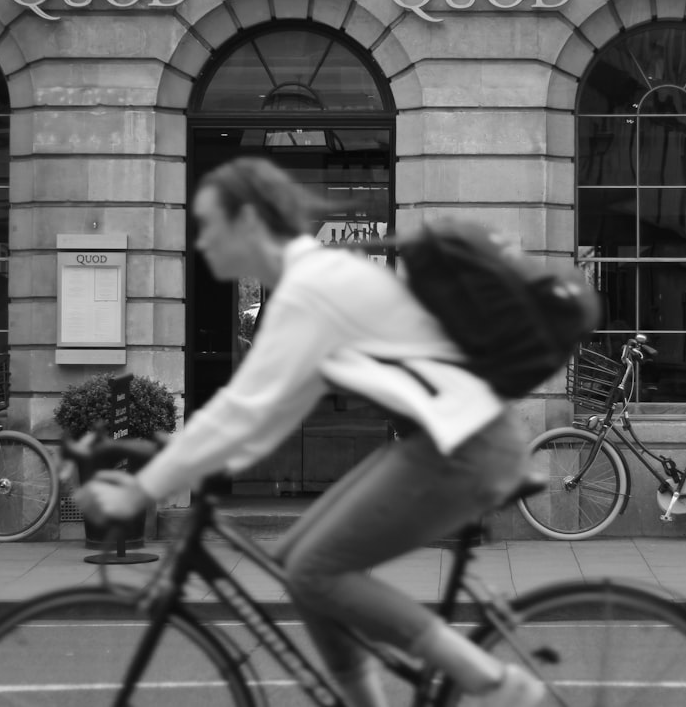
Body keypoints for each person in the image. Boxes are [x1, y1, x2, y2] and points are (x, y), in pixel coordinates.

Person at [73, 156, 545, 707]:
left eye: (209, 225)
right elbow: (264, 412)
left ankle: (496, 684)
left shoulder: (310, 286)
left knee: (315, 572)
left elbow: (245, 411)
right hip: (450, 438)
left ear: (248, 221)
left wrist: (143, 487)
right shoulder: (313, 279)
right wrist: (180, 460)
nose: (200, 242)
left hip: (466, 447)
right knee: (298, 563)